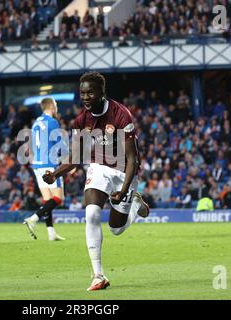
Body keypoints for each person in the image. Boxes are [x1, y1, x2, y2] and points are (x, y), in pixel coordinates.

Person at [42, 71, 150, 291]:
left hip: (123, 171)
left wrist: (124, 189)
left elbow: (133, 159)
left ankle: (134, 205)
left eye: (90, 92)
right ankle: (98, 275)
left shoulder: (121, 114)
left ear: (102, 92)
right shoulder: (81, 120)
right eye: (82, 93)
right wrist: (55, 174)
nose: (86, 97)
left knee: (116, 229)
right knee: (91, 213)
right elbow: (75, 156)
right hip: (98, 167)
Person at [23, 98, 66, 241]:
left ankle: (51, 232)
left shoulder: (36, 123)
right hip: (49, 163)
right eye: (56, 104)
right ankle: (33, 219)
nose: (57, 107)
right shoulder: (52, 122)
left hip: (37, 164)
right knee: (58, 198)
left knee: (48, 200)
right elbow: (60, 143)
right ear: (52, 106)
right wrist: (68, 162)